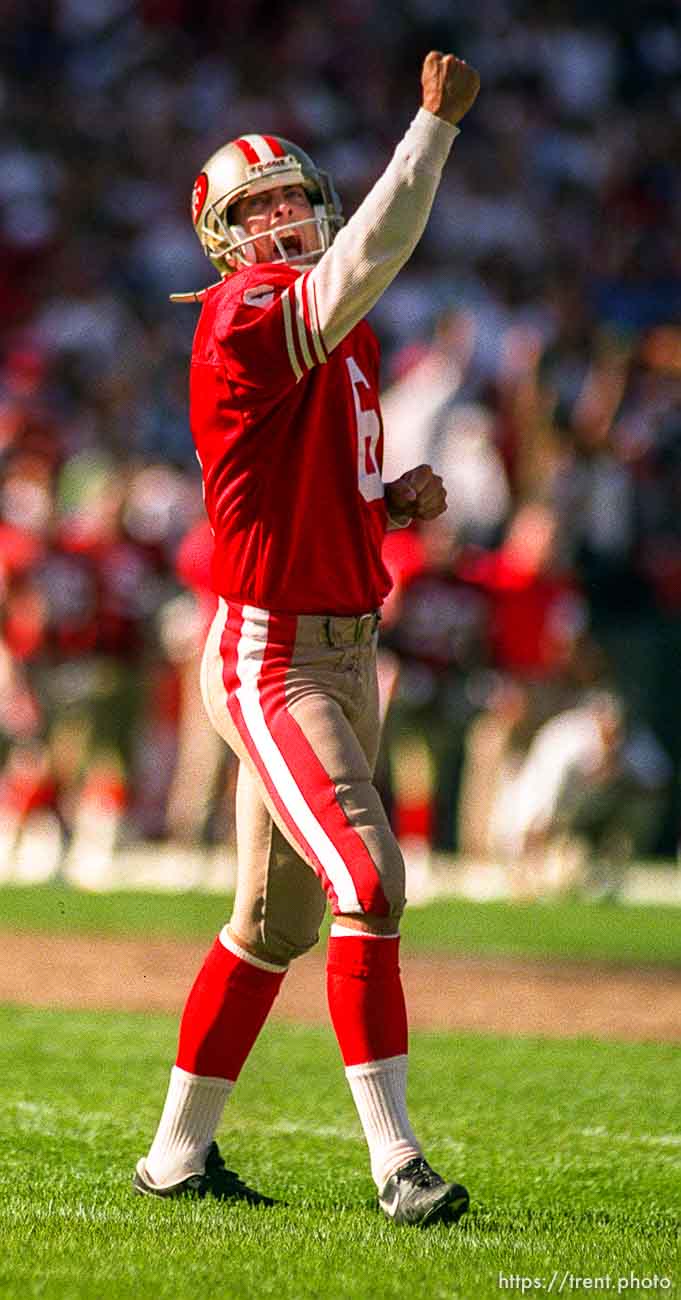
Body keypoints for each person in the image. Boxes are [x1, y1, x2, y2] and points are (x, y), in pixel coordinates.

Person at [133, 50, 480, 1227]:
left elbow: (321, 473)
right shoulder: (244, 312)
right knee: (369, 876)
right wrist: (428, 134)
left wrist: (393, 501)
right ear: (223, 241)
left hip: (346, 643)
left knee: (272, 924)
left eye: (292, 197)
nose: (282, 218)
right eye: (256, 208)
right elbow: (365, 264)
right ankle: (398, 1163)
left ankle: (176, 1156)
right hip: (271, 649)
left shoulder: (350, 337)